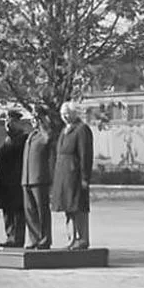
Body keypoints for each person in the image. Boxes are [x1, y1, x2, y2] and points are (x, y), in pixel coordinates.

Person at [50, 102, 94, 251]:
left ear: (75, 113)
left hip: (75, 175)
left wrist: (85, 177)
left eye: (68, 113)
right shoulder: (64, 130)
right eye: (63, 114)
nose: (65, 117)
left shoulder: (82, 129)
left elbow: (85, 155)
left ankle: (82, 238)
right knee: (68, 208)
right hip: (64, 176)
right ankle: (72, 238)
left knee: (79, 207)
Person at [22, 105, 57, 249]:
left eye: (35, 119)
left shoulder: (45, 133)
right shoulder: (32, 135)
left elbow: (48, 138)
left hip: (39, 178)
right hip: (27, 178)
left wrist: (42, 121)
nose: (33, 121)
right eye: (32, 119)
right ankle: (34, 238)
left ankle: (45, 238)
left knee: (42, 210)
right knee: (30, 211)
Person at [0, 109, 28, 248]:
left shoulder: (23, 139)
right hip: (4, 181)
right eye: (6, 121)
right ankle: (10, 236)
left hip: (16, 180)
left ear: (18, 123)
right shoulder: (6, 139)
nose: (8, 124)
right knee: (7, 211)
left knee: (18, 212)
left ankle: (17, 238)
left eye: (12, 121)